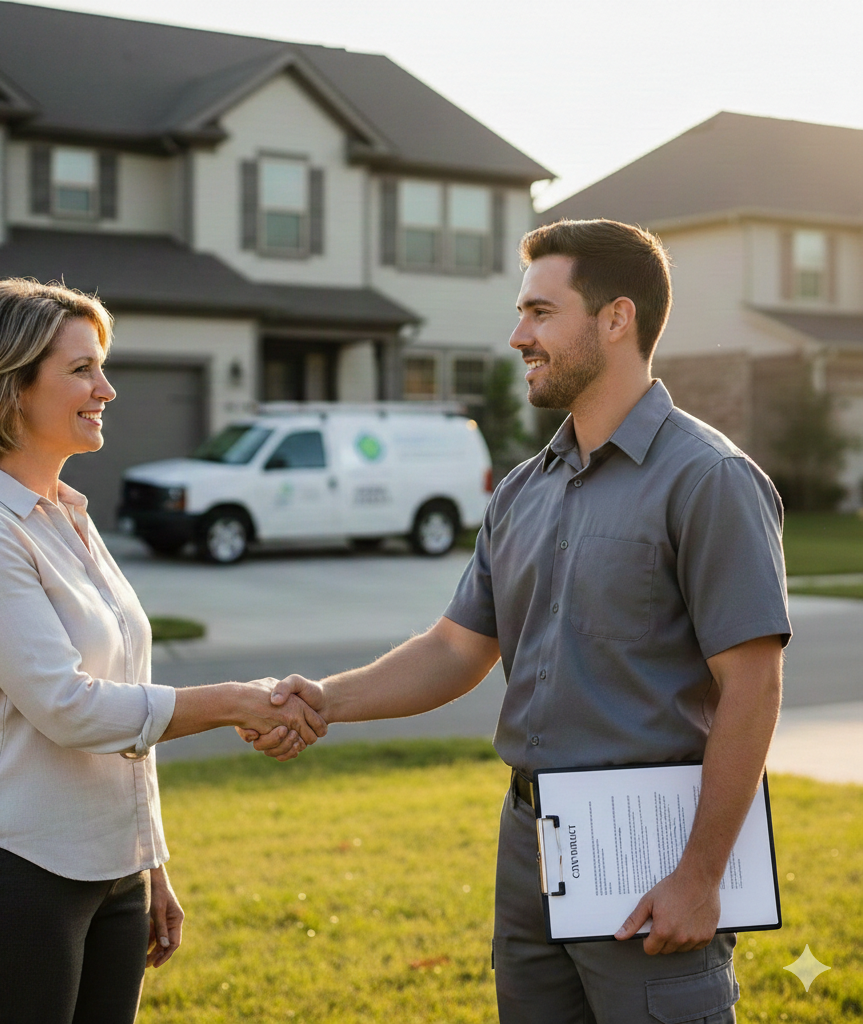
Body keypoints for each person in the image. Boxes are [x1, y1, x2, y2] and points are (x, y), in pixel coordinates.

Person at [242, 220, 791, 1024]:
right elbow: (454, 649)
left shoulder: (708, 479)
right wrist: (323, 700)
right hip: (531, 842)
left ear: (615, 319)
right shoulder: (523, 492)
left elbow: (753, 685)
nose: (517, 336)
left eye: (539, 312)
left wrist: (701, 876)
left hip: (652, 856)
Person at [0, 278, 324, 1024]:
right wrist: (231, 701)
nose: (105, 388)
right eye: (81, 369)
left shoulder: (69, 516)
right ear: (8, 384)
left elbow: (123, 696)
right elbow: (69, 708)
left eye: (100, 367)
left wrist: (148, 860)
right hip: (15, 867)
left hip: (111, 871)